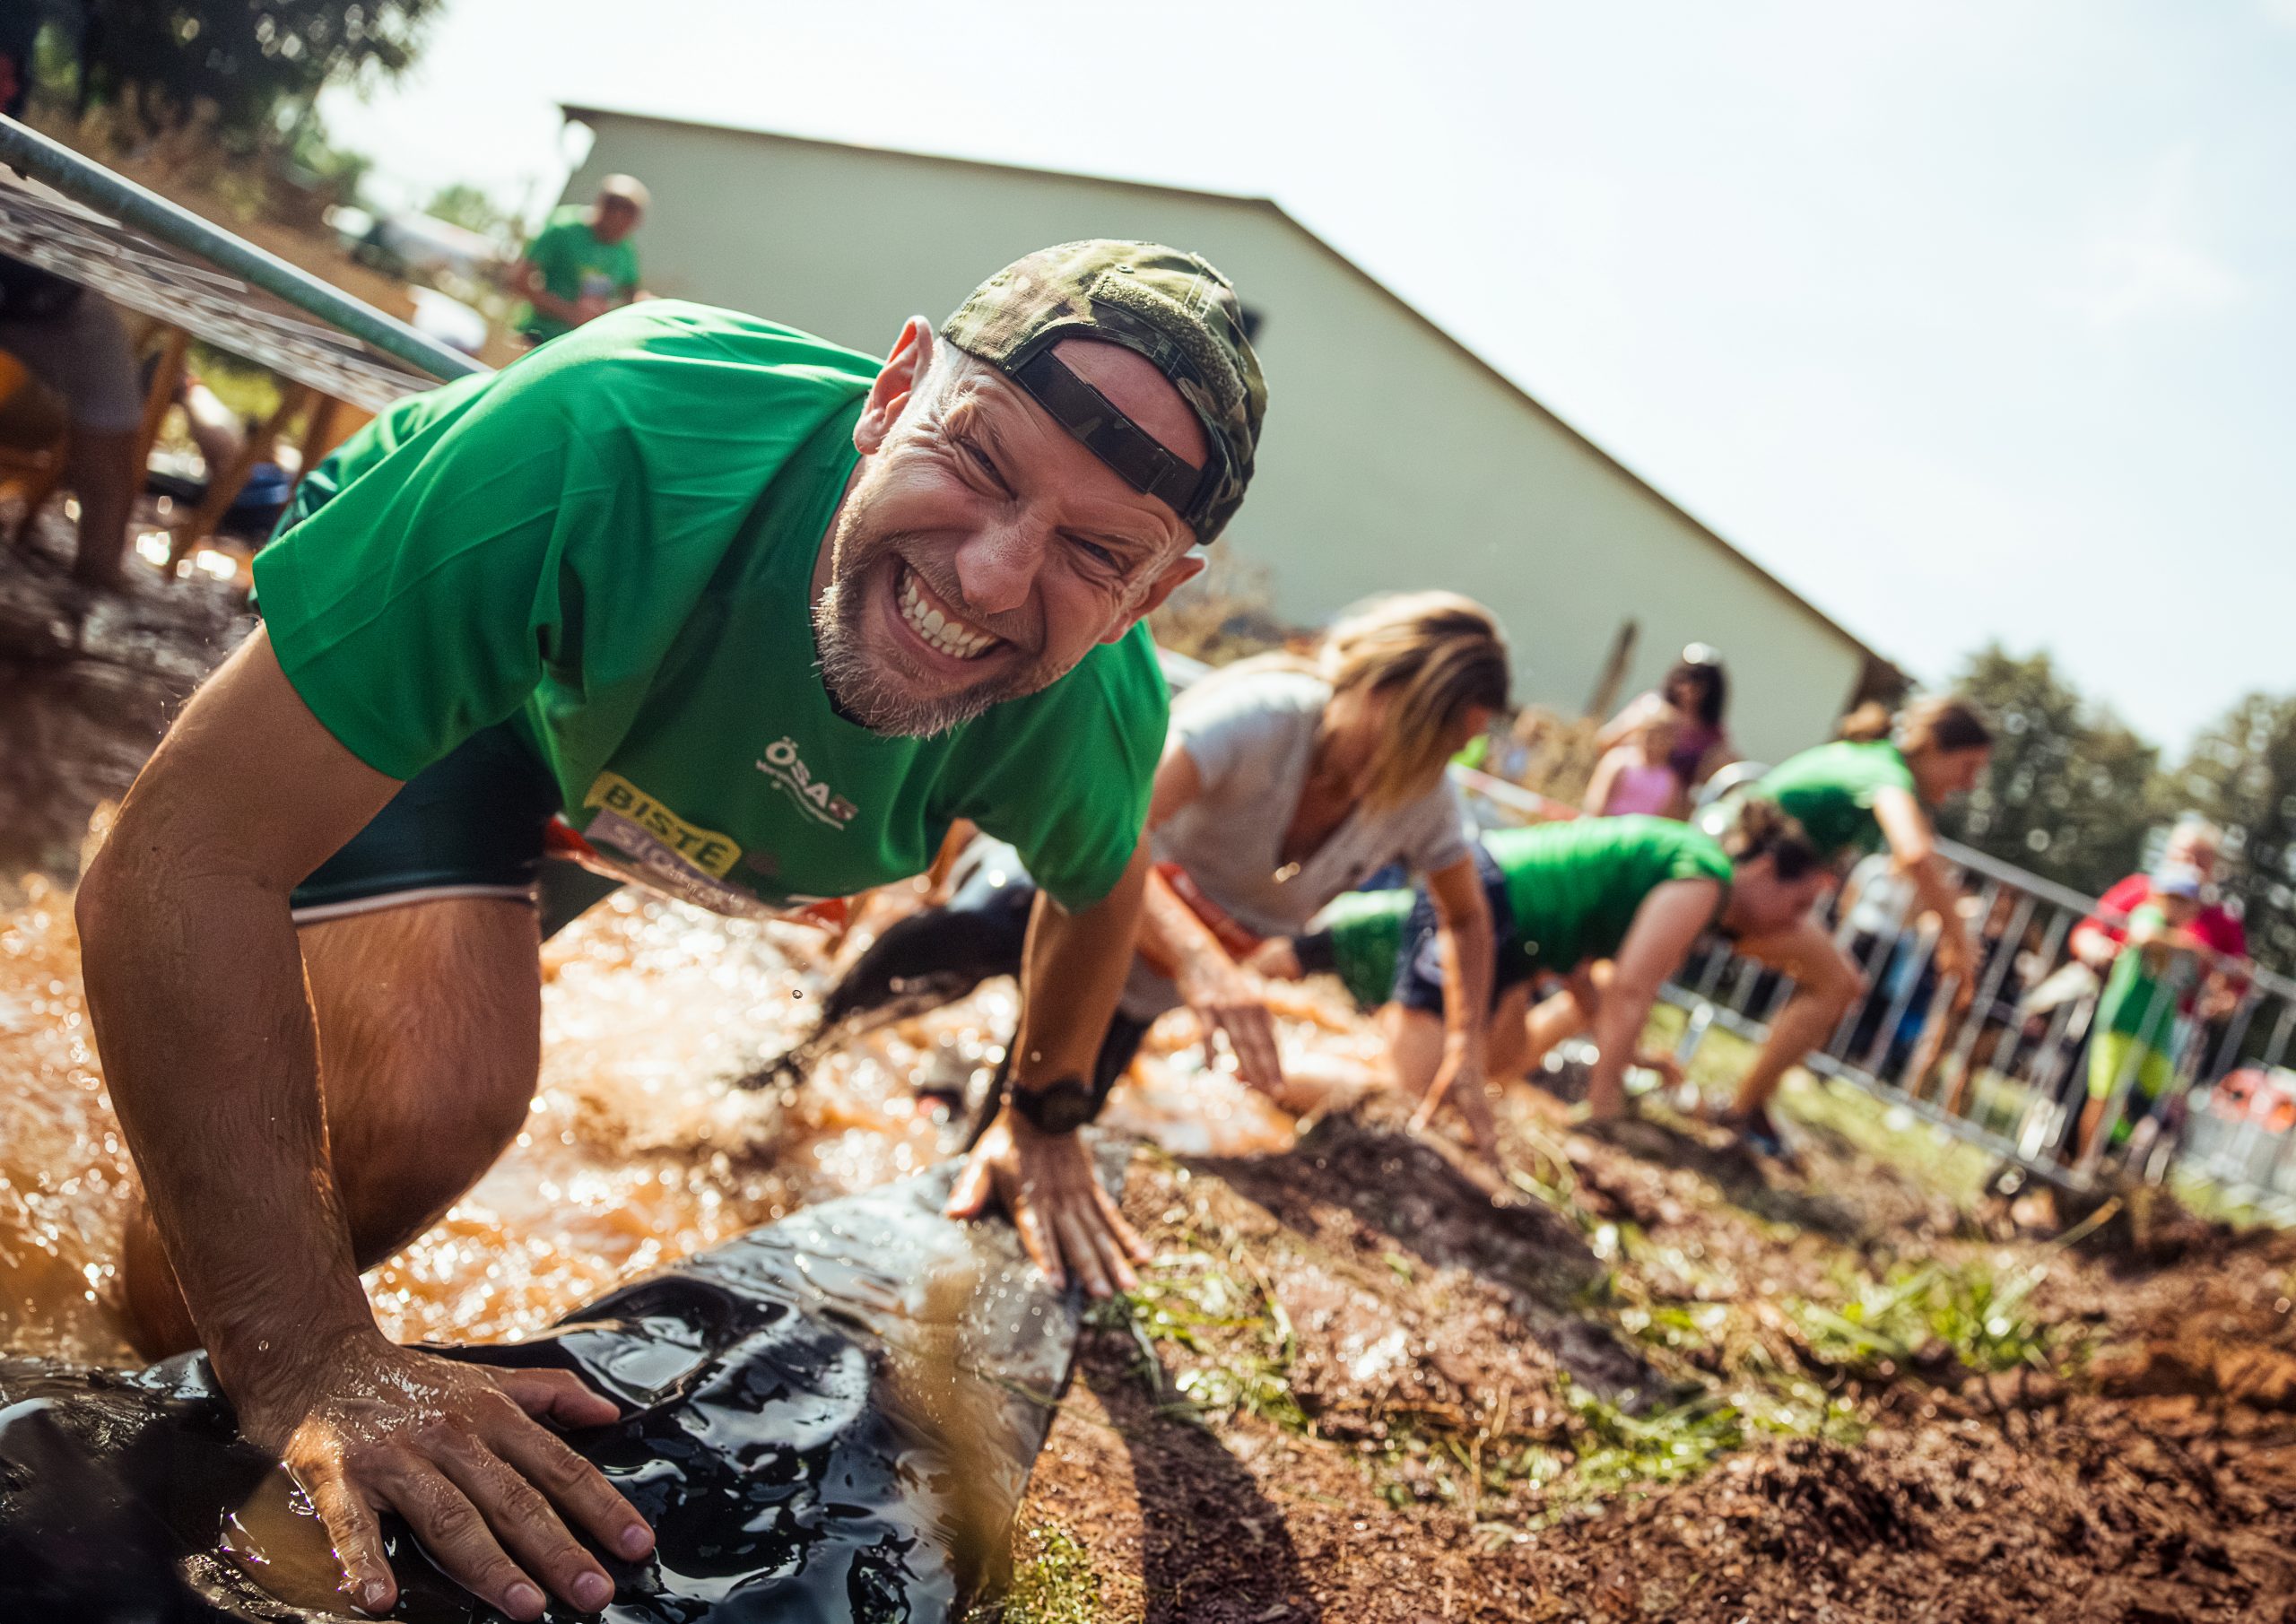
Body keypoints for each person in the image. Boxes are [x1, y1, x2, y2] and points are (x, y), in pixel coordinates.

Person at [74, 239, 1265, 1620]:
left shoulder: (1091, 716)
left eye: (1095, 551)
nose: (995, 577)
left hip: (621, 778)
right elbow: (178, 858)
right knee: (439, 1094)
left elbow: (1098, 882)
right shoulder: (614, 430)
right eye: (982, 461)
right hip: (488, 682)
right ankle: (112, 1386)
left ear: (1153, 597)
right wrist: (311, 1353)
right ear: (891, 391)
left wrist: (1044, 1110)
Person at [780, 593, 1513, 1152]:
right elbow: (1111, 830)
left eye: (1456, 754)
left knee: (1026, 1136)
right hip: (1059, 887)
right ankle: (790, 1067)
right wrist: (1204, 963)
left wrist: (1463, 1049)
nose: (1431, 768)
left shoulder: (1425, 797)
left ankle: (950, 1098)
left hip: (1135, 987)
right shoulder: (1260, 719)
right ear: (1382, 690)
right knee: (953, 941)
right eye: (1430, 739)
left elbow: (1467, 916)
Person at [1275, 804, 1828, 1122]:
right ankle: (1248, 1068)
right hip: (1486, 904)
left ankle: (1304, 1051)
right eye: (1798, 905)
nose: (1792, 926)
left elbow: (1594, 986)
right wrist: (1605, 1103)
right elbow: (1631, 990)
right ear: (1761, 871)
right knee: (1410, 1093)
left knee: (1502, 1060)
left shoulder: (1691, 873)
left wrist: (1631, 1060)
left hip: (1515, 935)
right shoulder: (1706, 877)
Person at [1704, 695, 1993, 1156]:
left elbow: (1921, 852)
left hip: (1735, 874)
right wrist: (1959, 938)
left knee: (1836, 983)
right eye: (1968, 766)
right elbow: (1915, 853)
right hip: (1723, 874)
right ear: (1935, 746)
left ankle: (1746, 1106)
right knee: (1836, 984)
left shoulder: (1873, 762)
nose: (1970, 783)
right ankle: (1742, 1108)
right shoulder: (1885, 773)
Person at [2074, 864, 2209, 1161]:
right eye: (2170, 897)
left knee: (2156, 1100)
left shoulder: (2184, 939)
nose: (2175, 906)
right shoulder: (2151, 916)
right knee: (2102, 1095)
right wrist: (2191, 946)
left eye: (2183, 900)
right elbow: (2143, 934)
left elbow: (2190, 985)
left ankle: (2113, 1158)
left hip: (2158, 1034)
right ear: (2157, 896)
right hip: (2123, 1021)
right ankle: (2084, 1163)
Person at [1587, 646, 1735, 817]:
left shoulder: (1713, 735)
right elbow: (1603, 741)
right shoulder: (1650, 707)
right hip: (1626, 793)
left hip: (1667, 809)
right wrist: (1641, 725)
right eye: (1684, 678)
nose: (1688, 687)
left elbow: (1717, 776)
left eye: (1698, 682)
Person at [510, 175, 648, 345]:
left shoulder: (624, 248)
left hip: (579, 346)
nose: (624, 231)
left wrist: (651, 305)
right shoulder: (563, 229)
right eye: (622, 222)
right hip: (536, 337)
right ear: (605, 208)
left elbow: (631, 292)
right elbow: (519, 279)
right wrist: (570, 313)